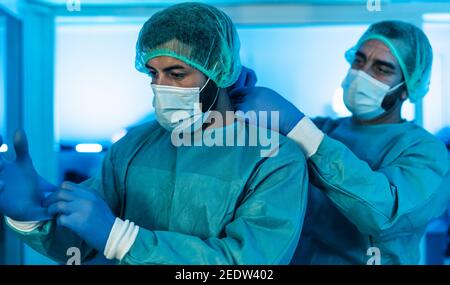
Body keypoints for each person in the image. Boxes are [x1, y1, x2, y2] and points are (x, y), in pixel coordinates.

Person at [0, 2, 308, 265]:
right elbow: (82, 244)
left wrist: (122, 238)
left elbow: (246, 265)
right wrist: (31, 216)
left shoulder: (274, 158)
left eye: (176, 74)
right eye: (153, 73)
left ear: (219, 73)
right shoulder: (133, 145)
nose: (160, 86)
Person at [231, 20, 450, 264]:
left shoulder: (427, 152)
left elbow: (384, 214)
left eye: (381, 69)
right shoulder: (327, 129)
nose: (362, 73)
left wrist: (302, 131)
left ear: (407, 87)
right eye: (359, 60)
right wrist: (230, 90)